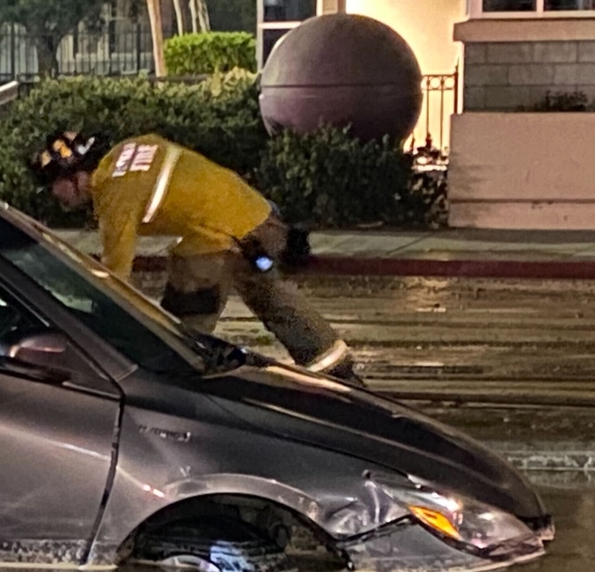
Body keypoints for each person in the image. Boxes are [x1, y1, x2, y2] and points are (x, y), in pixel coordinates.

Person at [33, 130, 361, 384]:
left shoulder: (113, 192)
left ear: (73, 176)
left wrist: (90, 322)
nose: (53, 195)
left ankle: (181, 391)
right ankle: (339, 372)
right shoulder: (129, 149)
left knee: (179, 333)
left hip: (215, 238)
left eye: (53, 186)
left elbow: (116, 274)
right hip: (257, 219)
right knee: (271, 298)